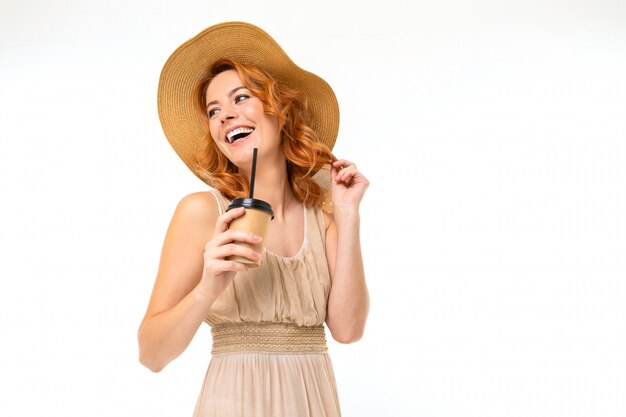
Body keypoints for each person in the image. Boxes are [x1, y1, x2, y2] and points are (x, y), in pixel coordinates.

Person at [137, 21, 370, 417]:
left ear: (281, 110)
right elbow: (151, 354)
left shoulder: (324, 217)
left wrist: (348, 216)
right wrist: (207, 287)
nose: (225, 116)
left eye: (240, 98)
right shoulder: (201, 212)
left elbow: (348, 331)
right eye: (214, 111)